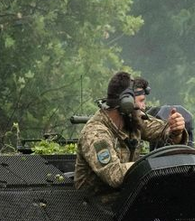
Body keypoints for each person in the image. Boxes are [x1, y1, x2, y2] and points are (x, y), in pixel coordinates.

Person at [74, 70, 188, 198]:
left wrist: (175, 130)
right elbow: (114, 174)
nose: (144, 106)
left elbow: (162, 131)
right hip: (93, 207)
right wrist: (152, 165)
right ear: (126, 103)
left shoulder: (132, 118)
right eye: (141, 101)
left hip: (125, 200)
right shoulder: (95, 134)